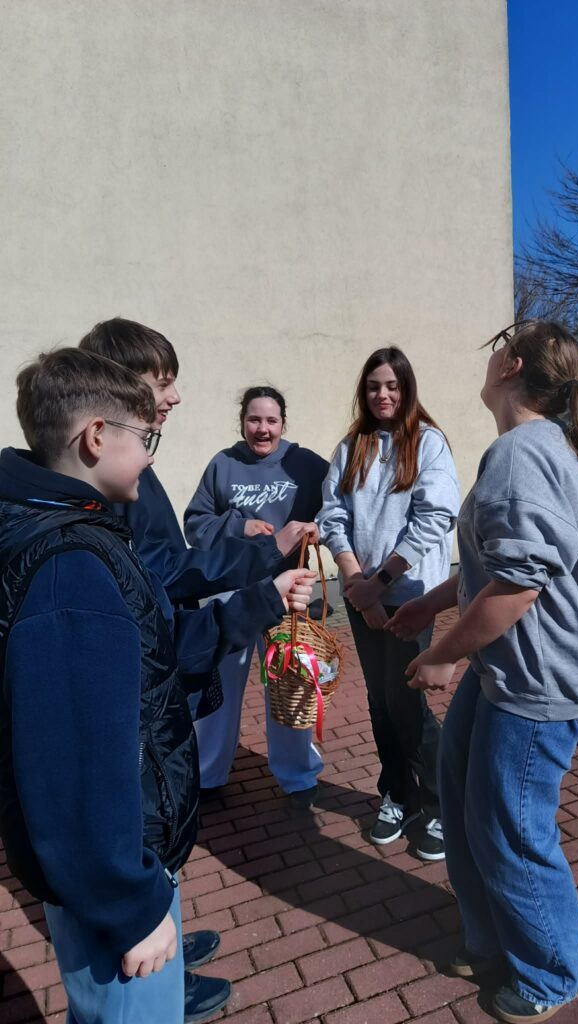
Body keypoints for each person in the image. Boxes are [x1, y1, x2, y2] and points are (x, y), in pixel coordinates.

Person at [388, 321, 578, 1022]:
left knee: (510, 827)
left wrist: (443, 654)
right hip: (517, 673)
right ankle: (492, 939)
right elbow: (496, 568)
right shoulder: (532, 449)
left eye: (498, 344)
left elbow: (519, 586)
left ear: (512, 365)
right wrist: (430, 605)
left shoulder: (523, 455)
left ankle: (556, 971)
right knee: (464, 796)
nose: (490, 353)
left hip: (544, 685)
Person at [78, 318, 317, 1021]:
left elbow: (169, 565)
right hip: (150, 689)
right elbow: (166, 581)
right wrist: (260, 577)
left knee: (161, 826)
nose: (176, 396)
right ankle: (154, 979)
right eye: (163, 382)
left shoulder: (133, 465)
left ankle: (164, 941)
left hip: (170, 673)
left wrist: (265, 560)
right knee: (145, 822)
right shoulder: (112, 482)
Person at [317, 347, 460, 860]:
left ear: (407, 389)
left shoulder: (428, 443)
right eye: (375, 385)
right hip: (363, 595)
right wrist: (357, 583)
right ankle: (398, 795)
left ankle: (443, 804)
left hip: (409, 599)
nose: (383, 395)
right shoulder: (351, 446)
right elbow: (332, 515)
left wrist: (379, 583)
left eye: (393, 386)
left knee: (406, 702)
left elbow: (434, 519)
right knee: (380, 702)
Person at [184, 386, 329, 804]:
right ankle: (208, 774)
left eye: (271, 420)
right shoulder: (223, 464)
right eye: (254, 419)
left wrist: (320, 528)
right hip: (231, 592)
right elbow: (195, 524)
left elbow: (339, 508)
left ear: (283, 423)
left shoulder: (306, 464)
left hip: (290, 592)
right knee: (221, 685)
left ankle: (298, 776)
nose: (262, 429)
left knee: (290, 685)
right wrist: (238, 527)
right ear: (242, 422)